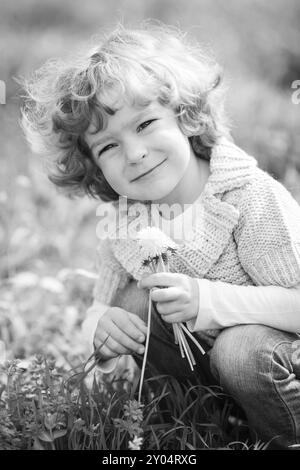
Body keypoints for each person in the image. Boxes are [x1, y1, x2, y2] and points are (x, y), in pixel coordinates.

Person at [21, 22, 300, 449]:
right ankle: (195, 422)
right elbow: (101, 305)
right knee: (132, 302)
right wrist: (102, 328)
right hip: (210, 379)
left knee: (239, 350)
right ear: (95, 167)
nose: (134, 153)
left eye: (146, 123)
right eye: (108, 147)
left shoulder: (247, 196)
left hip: (275, 357)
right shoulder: (125, 222)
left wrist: (209, 301)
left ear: (186, 116)